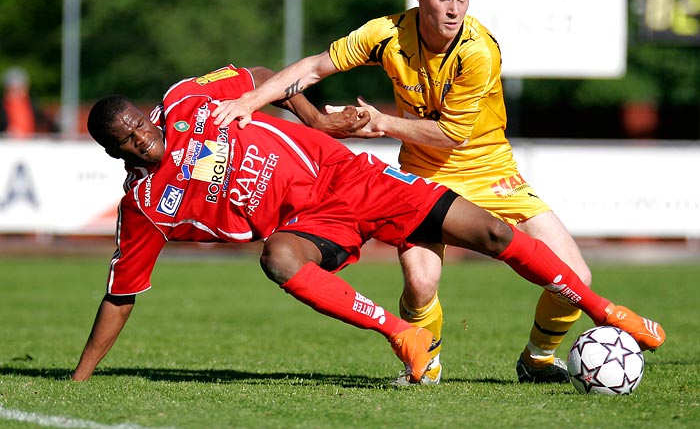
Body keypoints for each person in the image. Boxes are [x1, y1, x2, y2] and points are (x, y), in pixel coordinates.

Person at [72, 62, 665, 382]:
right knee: (278, 258)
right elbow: (121, 294)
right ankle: (402, 336)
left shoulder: (185, 102)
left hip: (352, 176)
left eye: (141, 125)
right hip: (312, 223)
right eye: (127, 141)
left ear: (148, 112)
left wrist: (313, 117)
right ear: (113, 151)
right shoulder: (146, 206)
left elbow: (257, 75)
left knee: (492, 233)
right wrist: (82, 377)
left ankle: (604, 310)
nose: (144, 140)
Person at [211, 0, 612, 384]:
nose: (454, 9)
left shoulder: (479, 51)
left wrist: (381, 122)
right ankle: (426, 363)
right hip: (425, 174)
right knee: (420, 284)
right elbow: (314, 67)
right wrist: (249, 101)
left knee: (575, 277)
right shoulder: (386, 34)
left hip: (490, 170)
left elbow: (451, 135)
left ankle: (537, 358)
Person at [1, 66, 57, 137]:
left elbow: (48, 126)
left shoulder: (34, 106)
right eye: (13, 90)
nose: (16, 94)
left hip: (30, 145)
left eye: (19, 89)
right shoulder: (2, 108)